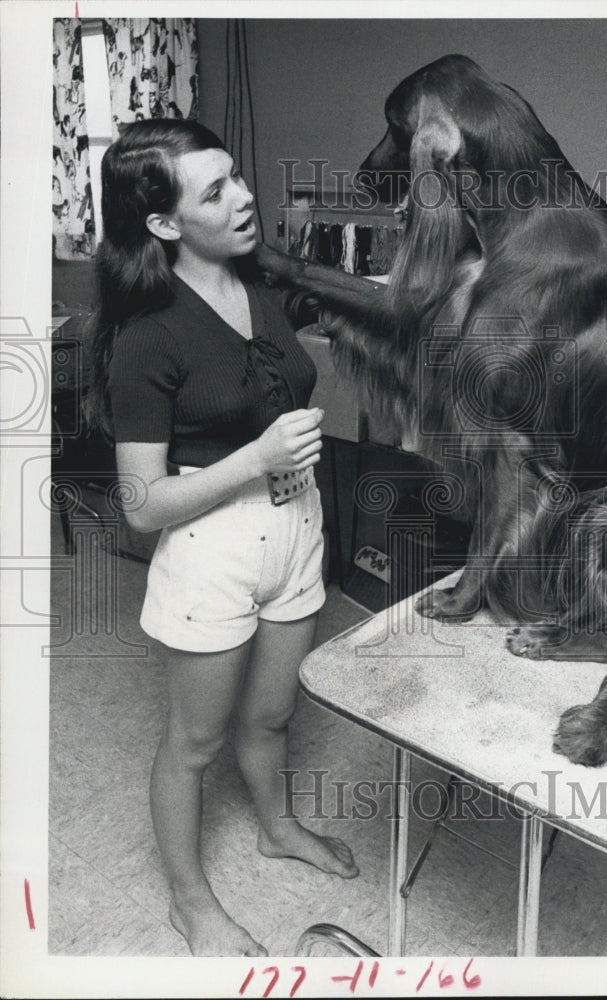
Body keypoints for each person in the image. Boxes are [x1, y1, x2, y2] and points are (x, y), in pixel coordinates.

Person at [85, 119, 358, 958]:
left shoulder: (257, 281)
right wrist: (255, 457)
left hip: (298, 528)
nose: (244, 197)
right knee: (194, 742)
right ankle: (189, 901)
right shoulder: (146, 337)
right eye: (215, 192)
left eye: (236, 176)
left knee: (274, 714)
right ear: (164, 225)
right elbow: (141, 505)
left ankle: (276, 827)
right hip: (212, 545)